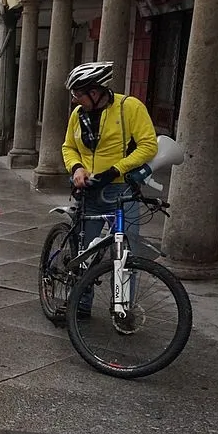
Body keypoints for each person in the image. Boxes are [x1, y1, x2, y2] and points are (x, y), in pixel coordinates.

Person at [62, 61, 158, 323]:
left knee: (126, 252)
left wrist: (117, 169)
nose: (75, 100)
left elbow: (148, 146)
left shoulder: (130, 107)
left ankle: (123, 308)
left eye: (78, 94)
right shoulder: (78, 114)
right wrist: (77, 167)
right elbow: (68, 147)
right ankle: (81, 303)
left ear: (95, 92)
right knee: (85, 251)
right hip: (89, 191)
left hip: (121, 191)